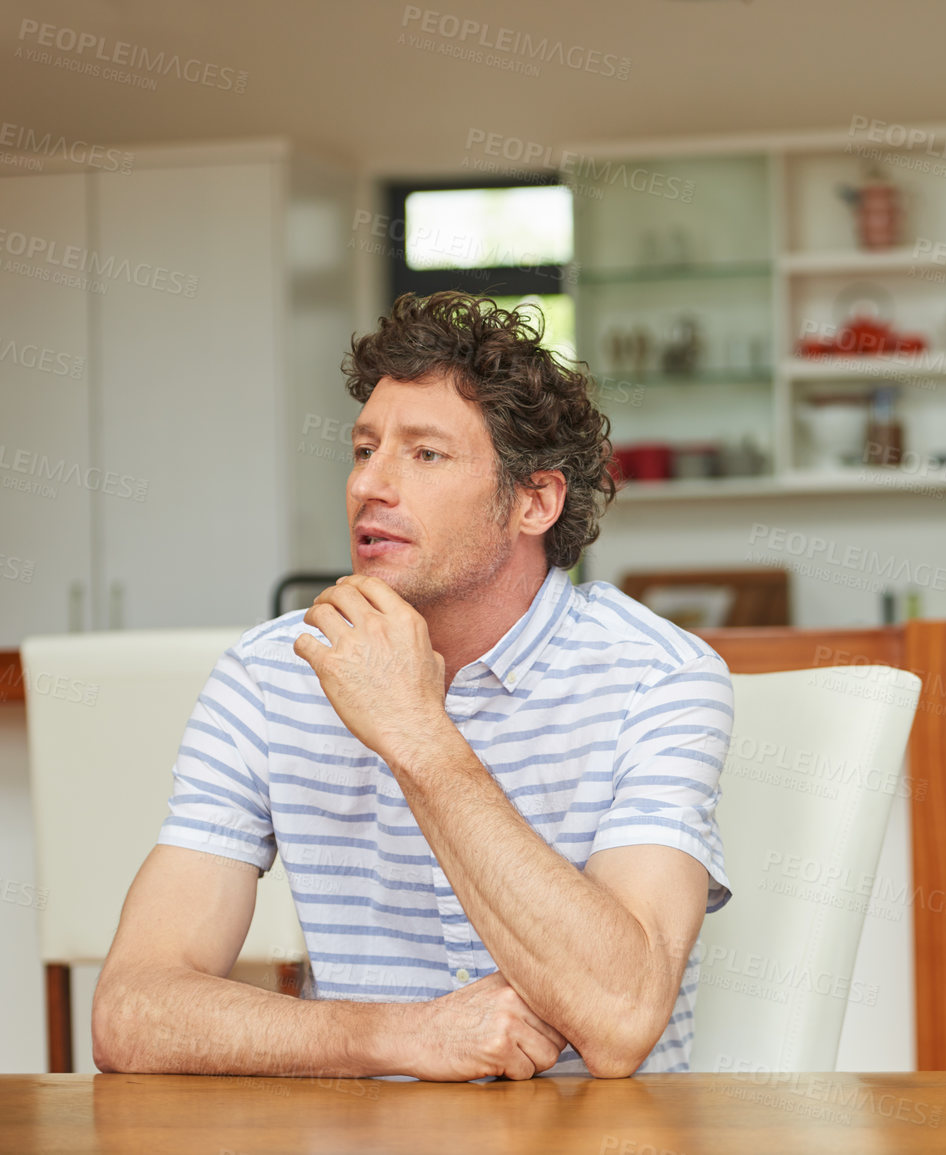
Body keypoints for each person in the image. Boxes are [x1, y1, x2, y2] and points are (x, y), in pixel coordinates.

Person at [92, 292, 733, 1081]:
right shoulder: (269, 673)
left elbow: (622, 1016)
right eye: (365, 449)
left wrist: (416, 732)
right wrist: (405, 1035)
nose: (370, 485)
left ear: (534, 500)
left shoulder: (658, 677)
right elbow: (131, 1012)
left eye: (425, 455)